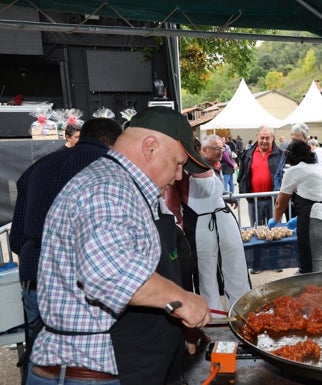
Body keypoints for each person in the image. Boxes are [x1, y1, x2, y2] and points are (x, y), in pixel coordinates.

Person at [27, 107, 212, 384]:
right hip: (85, 375)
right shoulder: (109, 188)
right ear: (150, 148)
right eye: (177, 164)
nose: (178, 176)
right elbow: (109, 274)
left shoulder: (118, 182)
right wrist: (184, 300)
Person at [10, 118, 122, 379]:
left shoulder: (38, 168)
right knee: (86, 367)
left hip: (34, 278)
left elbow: (16, 239)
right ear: (114, 142)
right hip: (87, 292)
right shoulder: (112, 169)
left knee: (42, 360)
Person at [166, 135, 251, 314]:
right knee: (229, 270)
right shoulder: (203, 167)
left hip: (206, 223)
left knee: (209, 275)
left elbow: (172, 206)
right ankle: (240, 312)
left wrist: (179, 225)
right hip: (220, 220)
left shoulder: (179, 170)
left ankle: (219, 317)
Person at [269, 140, 322, 273]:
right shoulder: (321, 170)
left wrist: (275, 220)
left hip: (318, 223)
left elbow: (280, 203)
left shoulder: (293, 170)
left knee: (314, 275)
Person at [237, 124, 285, 274]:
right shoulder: (248, 154)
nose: (264, 141)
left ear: (273, 138)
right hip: (254, 200)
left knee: (274, 231)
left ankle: (275, 261)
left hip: (273, 200)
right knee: (256, 232)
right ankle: (257, 263)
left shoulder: (281, 154)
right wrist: (242, 192)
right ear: (257, 136)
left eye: (267, 138)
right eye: (262, 137)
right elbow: (242, 175)